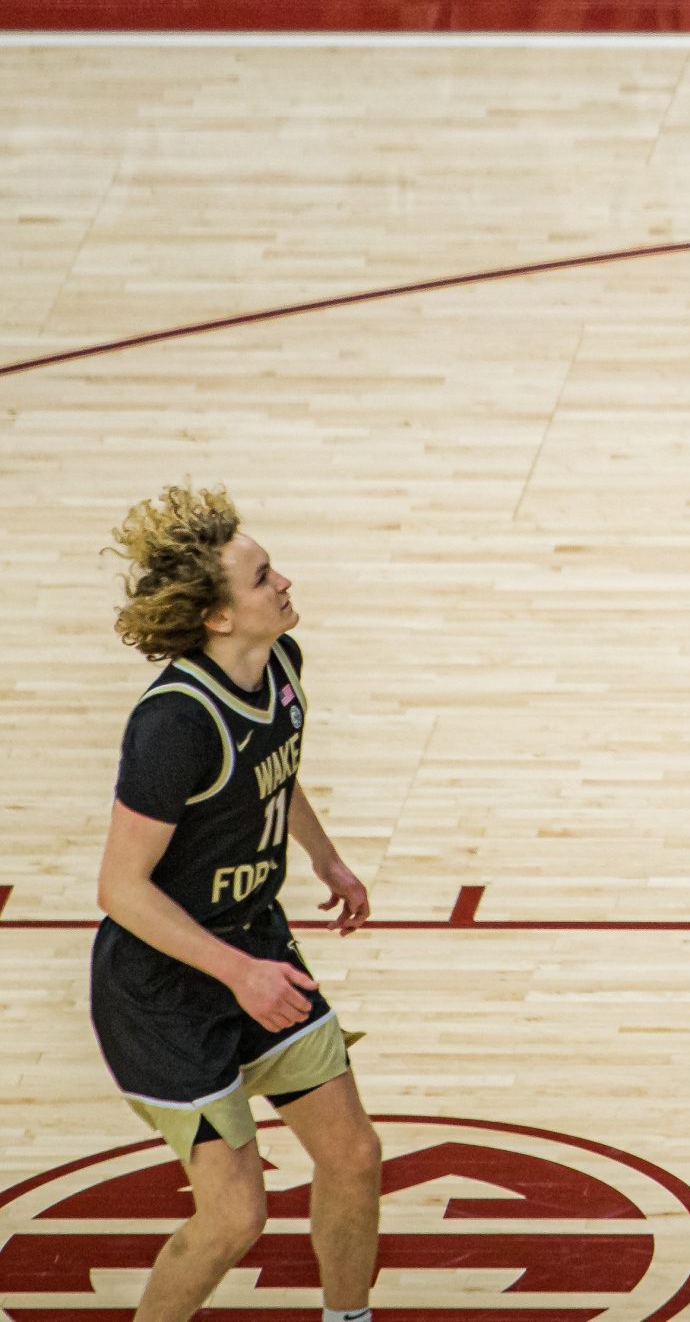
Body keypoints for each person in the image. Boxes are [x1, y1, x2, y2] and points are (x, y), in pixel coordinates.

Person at [91, 486, 384, 1322]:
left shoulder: (280, 664)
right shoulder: (175, 723)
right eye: (262, 577)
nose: (283, 582)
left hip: (256, 943)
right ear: (219, 617)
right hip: (166, 988)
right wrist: (239, 974)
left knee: (354, 1154)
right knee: (234, 1215)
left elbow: (276, 774)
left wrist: (326, 859)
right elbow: (119, 890)